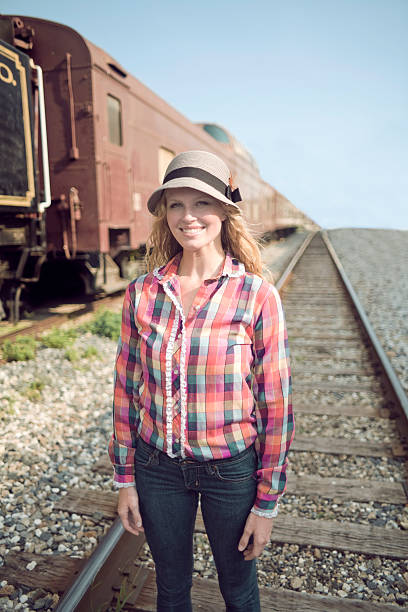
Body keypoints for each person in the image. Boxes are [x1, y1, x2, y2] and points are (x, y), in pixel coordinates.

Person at [108, 150, 294, 612]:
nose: (188, 217)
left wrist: (266, 502)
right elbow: (126, 391)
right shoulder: (141, 294)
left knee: (238, 590)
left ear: (224, 212)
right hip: (157, 469)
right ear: (164, 214)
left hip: (229, 470)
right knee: (170, 589)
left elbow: (276, 405)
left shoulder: (256, 296)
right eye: (176, 204)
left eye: (201, 203)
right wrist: (125, 478)